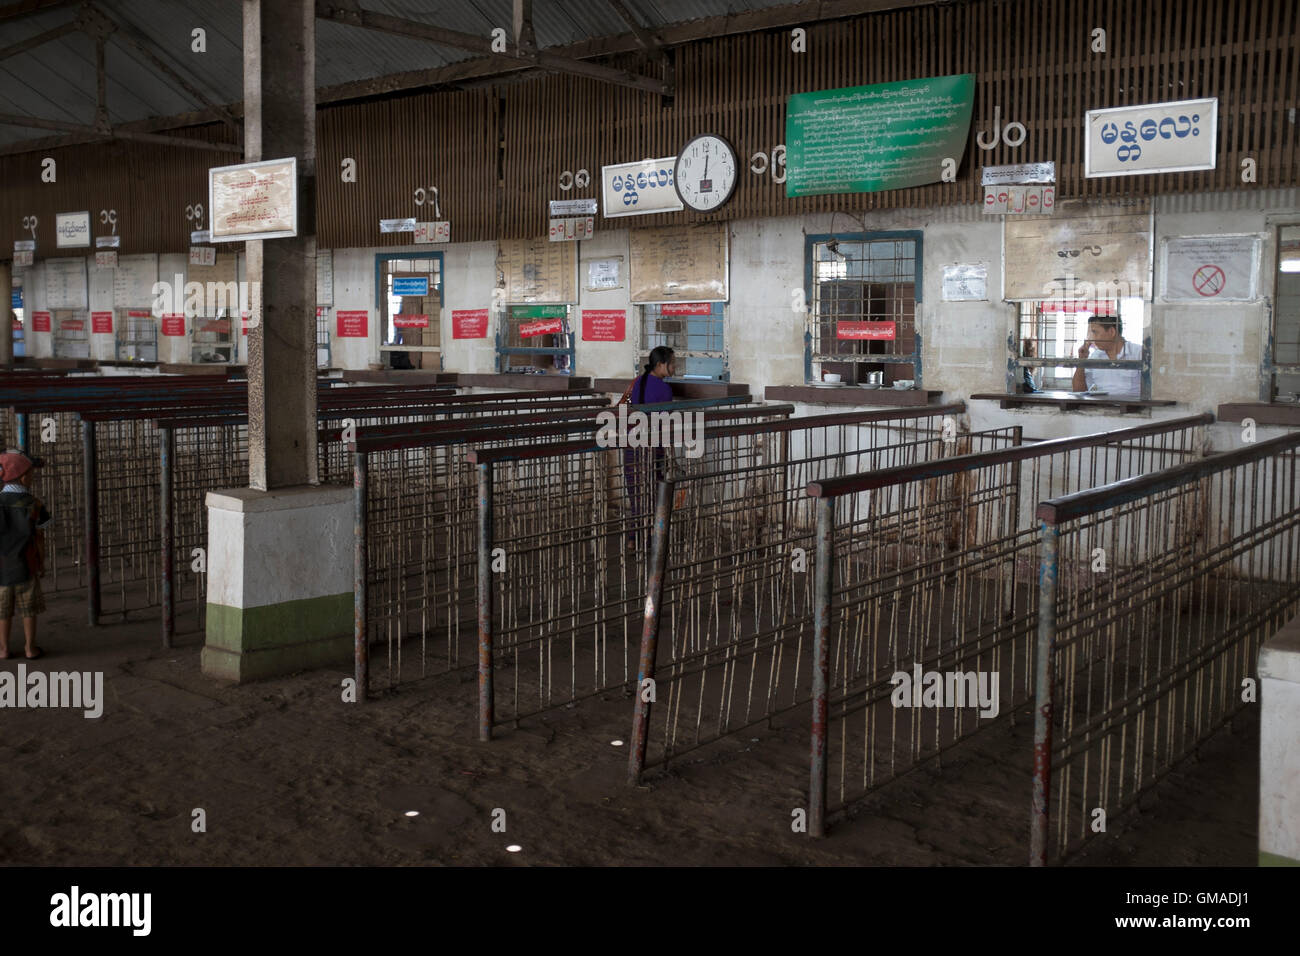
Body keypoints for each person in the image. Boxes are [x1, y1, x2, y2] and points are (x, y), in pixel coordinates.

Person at [622, 347, 676, 549]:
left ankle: (633, 539)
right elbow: (665, 419)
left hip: (632, 443)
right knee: (654, 494)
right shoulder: (664, 389)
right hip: (653, 446)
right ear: (661, 364)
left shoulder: (638, 382)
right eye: (672, 363)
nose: (674, 368)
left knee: (636, 494)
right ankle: (651, 539)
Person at [0, 450, 51, 660]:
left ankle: (3, 649)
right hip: (26, 566)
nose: (32, 478)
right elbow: (42, 530)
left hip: (1, 568)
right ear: (22, 476)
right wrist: (41, 561)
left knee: (3, 612)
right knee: (28, 610)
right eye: (31, 474)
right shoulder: (34, 503)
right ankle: (30, 647)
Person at [1072, 315, 1142, 396]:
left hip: (1132, 407)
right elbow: (1078, 391)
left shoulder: (1138, 353)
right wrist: (1082, 360)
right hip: (1103, 407)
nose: (1092, 338)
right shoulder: (1095, 356)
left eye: (1095, 332)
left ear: (1112, 331)